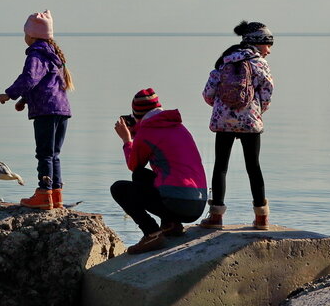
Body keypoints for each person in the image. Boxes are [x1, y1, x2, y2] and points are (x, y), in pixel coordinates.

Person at [110, 89, 207, 254]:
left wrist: (127, 140)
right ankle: (172, 224)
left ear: (137, 114)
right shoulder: (178, 127)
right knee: (141, 175)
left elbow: (133, 164)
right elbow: (142, 166)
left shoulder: (147, 132)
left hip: (178, 202)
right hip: (198, 204)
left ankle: (152, 233)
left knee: (118, 188)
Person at [200, 20, 276, 230]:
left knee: (220, 167)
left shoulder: (224, 61)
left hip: (223, 122)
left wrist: (220, 109)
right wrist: (258, 110)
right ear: (257, 43)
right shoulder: (259, 63)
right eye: (268, 44)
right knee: (254, 167)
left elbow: (208, 93)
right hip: (250, 122)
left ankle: (216, 217)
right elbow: (267, 92)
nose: (269, 50)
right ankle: (261, 218)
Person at [0, 10, 73, 210]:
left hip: (46, 110)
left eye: (25, 33)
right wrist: (24, 100)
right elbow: (45, 84)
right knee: (54, 154)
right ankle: (56, 194)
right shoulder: (53, 55)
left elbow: (29, 79)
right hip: (61, 109)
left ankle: (44, 195)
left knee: (44, 154)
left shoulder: (36, 54)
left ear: (31, 35)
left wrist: (9, 94)